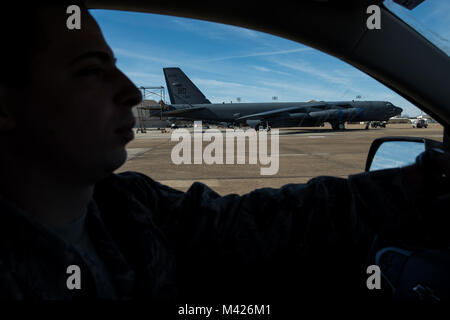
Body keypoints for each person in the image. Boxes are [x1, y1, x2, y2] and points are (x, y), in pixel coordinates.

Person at [0, 3, 449, 302]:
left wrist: (419, 181)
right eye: (91, 71)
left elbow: (256, 222)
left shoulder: (128, 204)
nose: (131, 90)